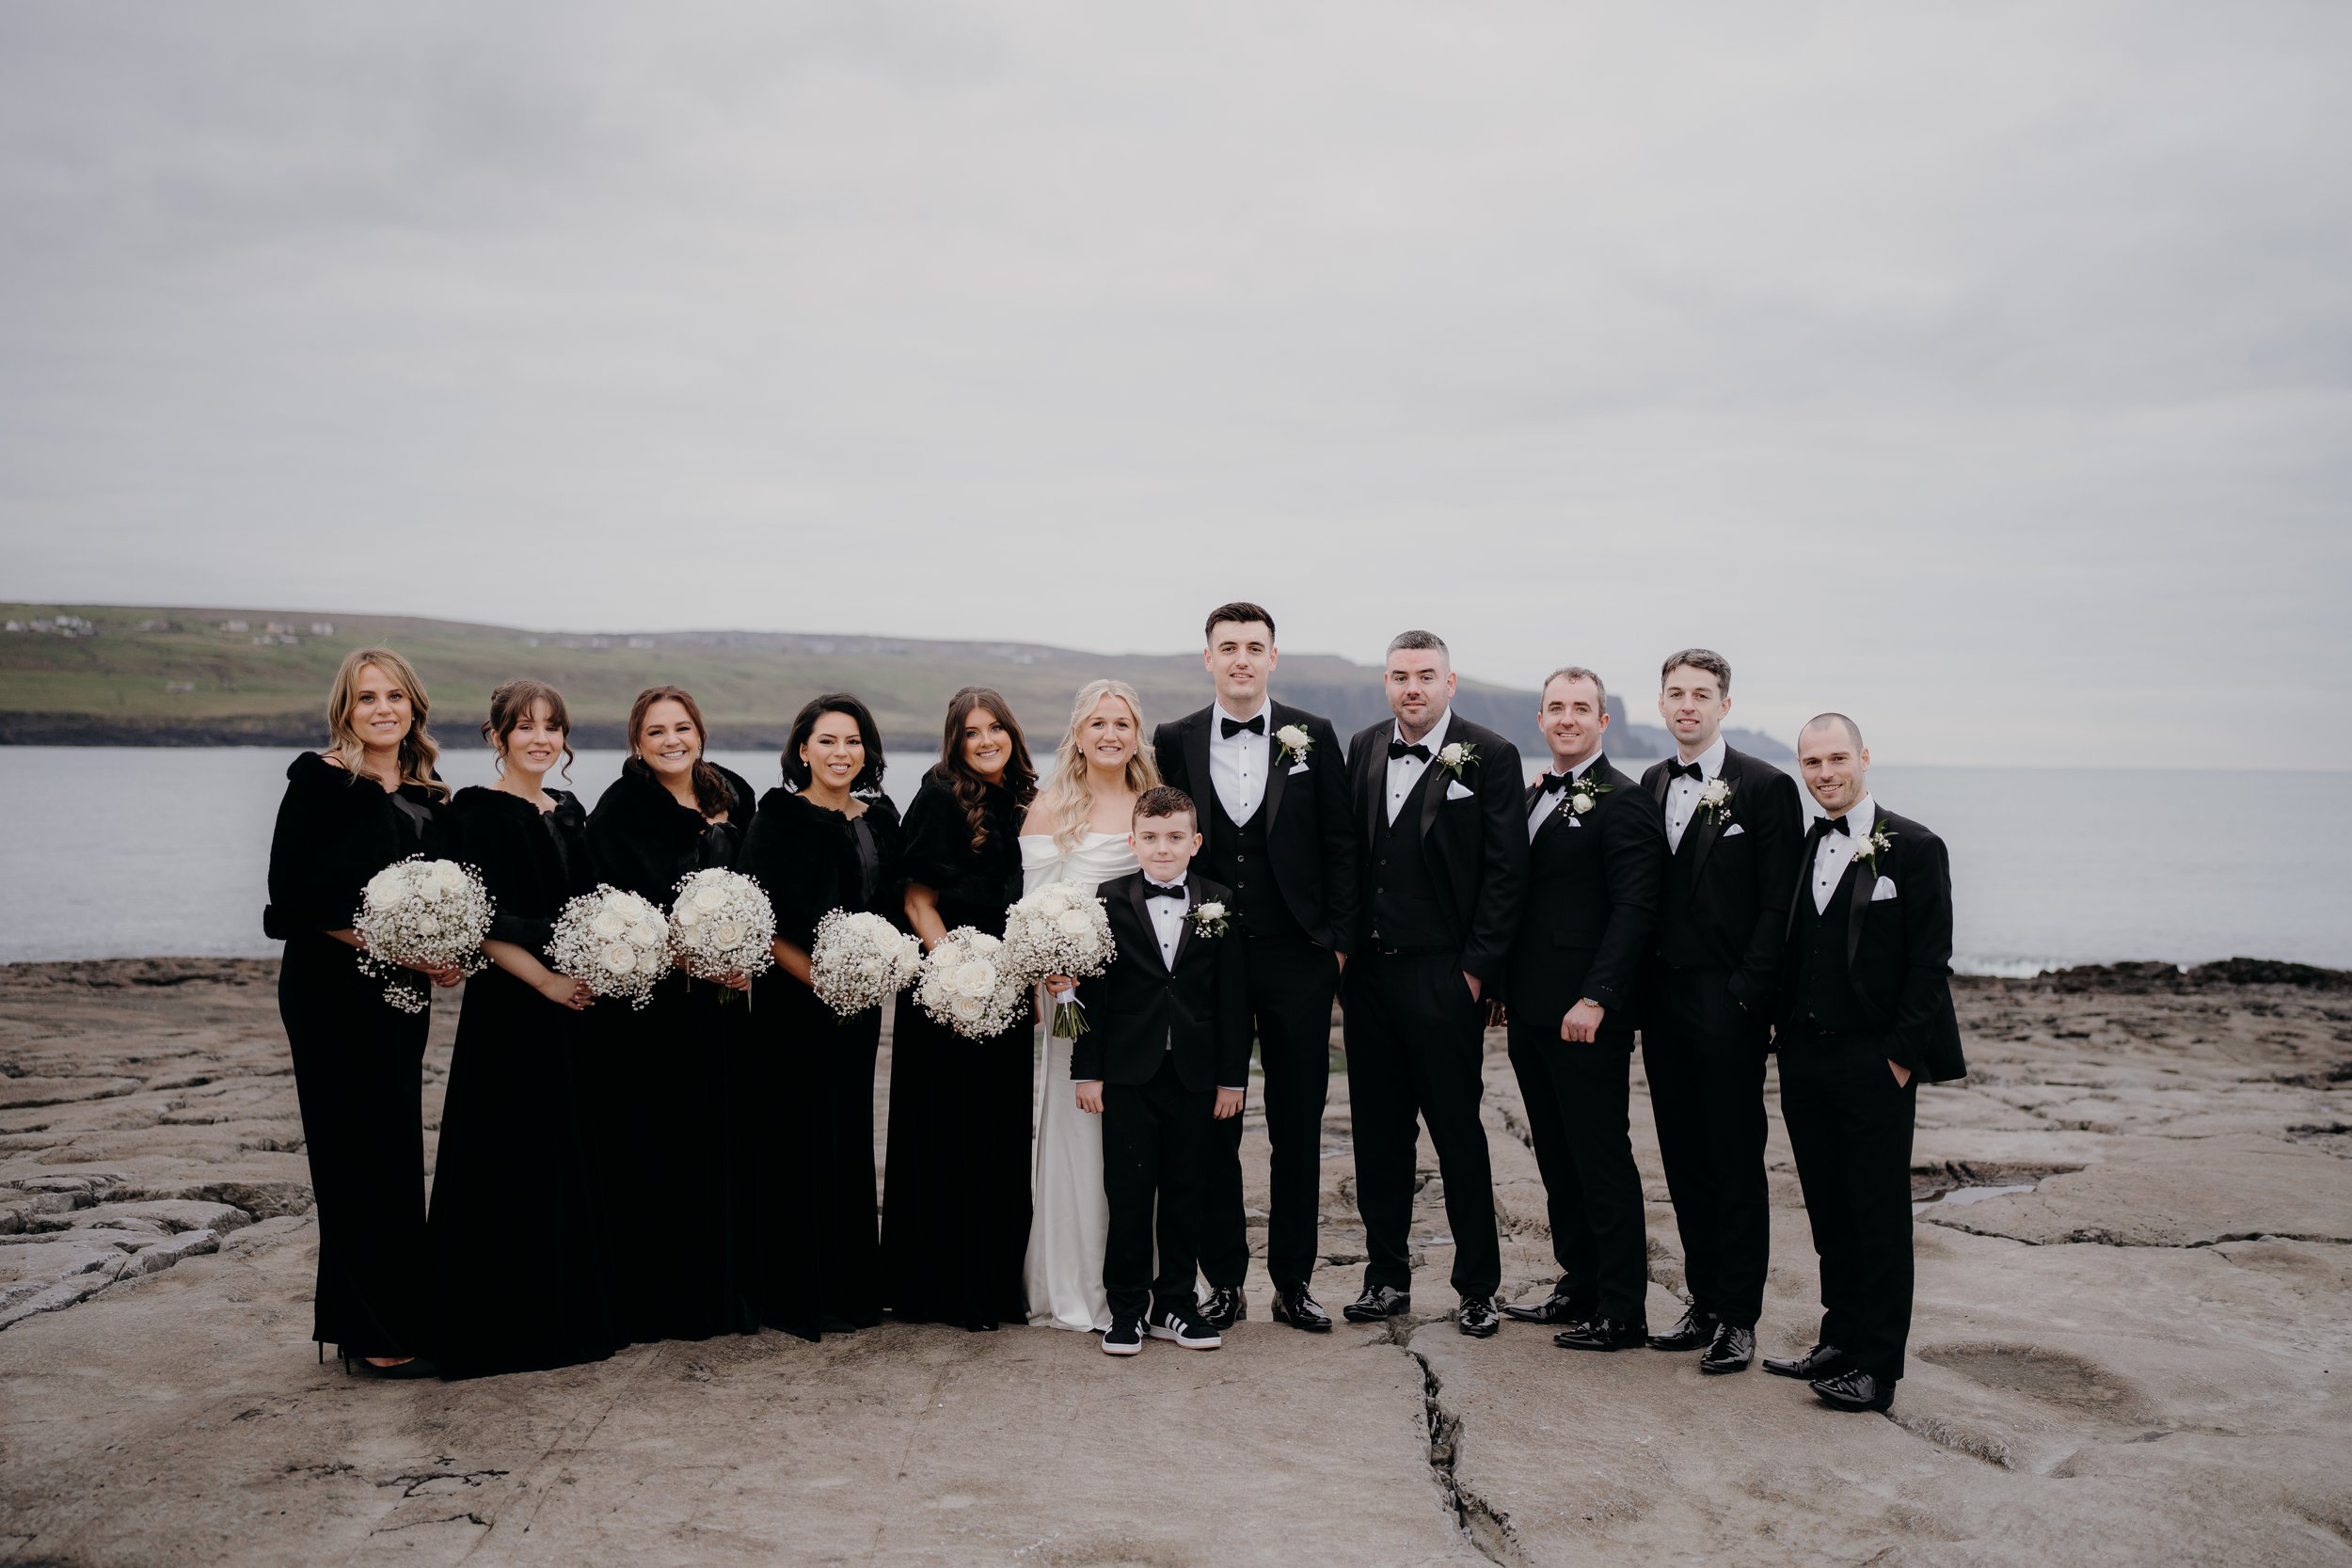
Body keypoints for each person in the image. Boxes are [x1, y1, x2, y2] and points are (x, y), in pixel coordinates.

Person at [1152, 601, 1356, 1333]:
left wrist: (1333, 943)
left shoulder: (1315, 734)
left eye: (1254, 647)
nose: (1242, 658)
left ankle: (1294, 1282)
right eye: (1228, 646)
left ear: (1275, 657)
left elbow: (1340, 840)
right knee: (1213, 1126)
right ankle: (1225, 1280)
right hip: (1207, 962)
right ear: (1207, 657)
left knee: (1298, 1125)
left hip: (1298, 958)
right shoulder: (1174, 737)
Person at [262, 646, 455, 1377]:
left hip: (399, 994)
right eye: (368, 697)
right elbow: (295, 898)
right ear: (345, 708)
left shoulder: (431, 796)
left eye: (395, 697)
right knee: (349, 1150)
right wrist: (405, 947)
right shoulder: (319, 781)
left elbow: (445, 896)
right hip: (327, 990)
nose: (382, 709)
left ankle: (399, 1314)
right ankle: (367, 1332)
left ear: (414, 707)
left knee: (396, 1148)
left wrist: (448, 952)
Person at [1766, 714, 1966, 1414]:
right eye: (1812, 762)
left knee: (1879, 1215)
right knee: (1828, 1208)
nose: (1825, 773)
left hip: (1875, 1062)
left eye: (1836, 758)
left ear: (1864, 758)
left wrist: (1900, 1061)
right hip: (1804, 1057)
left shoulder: (1914, 845)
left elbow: (1929, 963)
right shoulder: (1802, 845)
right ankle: (1839, 1338)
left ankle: (1878, 1367)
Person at [430, 680, 621, 1379]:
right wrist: (544, 980)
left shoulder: (569, 812)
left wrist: (606, 959)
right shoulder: (477, 812)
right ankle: (505, 1328)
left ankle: (567, 1316)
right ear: (497, 736)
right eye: (524, 726)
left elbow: (593, 905)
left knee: (567, 1151)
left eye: (552, 726)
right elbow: (476, 918)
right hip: (513, 1008)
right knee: (510, 1152)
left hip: (576, 1005)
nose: (540, 738)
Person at [1339, 631, 1527, 1338]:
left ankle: (1478, 1286)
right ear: (1386, 683)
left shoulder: (1492, 754)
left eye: (1425, 675)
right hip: (1370, 978)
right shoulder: (1363, 747)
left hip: (1445, 976)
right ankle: (1385, 1279)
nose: (1411, 687)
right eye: (1399, 676)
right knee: (1378, 1137)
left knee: (1457, 1134)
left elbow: (1508, 872)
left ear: (1452, 682)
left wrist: (1476, 973)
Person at [1635, 649, 1803, 1372]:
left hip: (1727, 998)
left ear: (1724, 705)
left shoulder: (1765, 787)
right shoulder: (1650, 781)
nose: (1688, 706)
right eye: (1676, 693)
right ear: (1662, 704)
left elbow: (1779, 903)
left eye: (1701, 694)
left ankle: (1739, 1315)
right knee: (1682, 1158)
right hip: (1661, 1002)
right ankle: (1702, 1300)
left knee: (1735, 1159)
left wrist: (1747, 995)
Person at [1495, 668, 1666, 1352]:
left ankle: (1623, 1309)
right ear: (1541, 720)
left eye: (1581, 708)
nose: (1567, 718)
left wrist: (1597, 996)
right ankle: (1579, 1283)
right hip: (1531, 1010)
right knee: (1557, 1155)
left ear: (1603, 722)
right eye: (1556, 707)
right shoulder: (1535, 796)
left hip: (1585, 1013)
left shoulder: (1623, 802)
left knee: (1600, 1156)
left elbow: (1634, 910)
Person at [582, 686, 759, 1343]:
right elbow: (613, 909)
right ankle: (665, 1299)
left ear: (700, 732)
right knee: (664, 1142)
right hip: (654, 1011)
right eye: (655, 731)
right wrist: (687, 958)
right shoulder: (619, 810)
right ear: (637, 741)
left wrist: (745, 952)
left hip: (727, 1002)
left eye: (681, 727)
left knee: (726, 1136)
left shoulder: (732, 792)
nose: (671, 740)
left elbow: (754, 885)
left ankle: (725, 1287)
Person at [738, 694, 904, 1339]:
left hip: (858, 1007)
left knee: (848, 1132)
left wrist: (876, 970)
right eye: (828, 740)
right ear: (802, 749)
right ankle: (797, 1293)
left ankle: (851, 1287)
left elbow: (888, 908)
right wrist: (820, 979)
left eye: (853, 741)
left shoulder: (880, 819)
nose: (842, 752)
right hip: (793, 1003)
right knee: (796, 1136)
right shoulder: (777, 816)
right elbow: (762, 918)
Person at [882, 688, 1041, 1331]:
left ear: (1012, 733)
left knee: (999, 1133)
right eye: (971, 732)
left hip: (1006, 991)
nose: (985, 740)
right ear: (955, 740)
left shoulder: (1029, 797)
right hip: (947, 990)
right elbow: (917, 898)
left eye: (995, 728)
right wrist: (956, 970)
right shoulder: (938, 797)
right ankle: (942, 1290)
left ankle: (996, 1285)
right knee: (947, 1130)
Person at [1073, 787, 1250, 1355]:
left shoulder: (1219, 900)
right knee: (1127, 1193)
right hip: (1128, 1073)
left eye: (1175, 837)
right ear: (1133, 842)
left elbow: (1233, 998)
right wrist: (1087, 1071)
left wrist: (1232, 1078)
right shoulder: (1109, 899)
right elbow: (1095, 992)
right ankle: (1125, 1310)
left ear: (1195, 842)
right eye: (1150, 837)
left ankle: (1175, 1304)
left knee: (1185, 1192)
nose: (1163, 848)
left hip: (1197, 1077)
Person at [1020, 678, 1160, 1333]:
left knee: (1139, 1144)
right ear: (1078, 734)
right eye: (1097, 722)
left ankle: (1140, 1285)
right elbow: (1033, 913)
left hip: (1142, 1003)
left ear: (1137, 733)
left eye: (1122, 723)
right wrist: (1052, 967)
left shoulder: (1152, 805)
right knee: (1079, 1137)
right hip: (1074, 1004)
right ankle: (1076, 1284)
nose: (1110, 733)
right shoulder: (1051, 808)